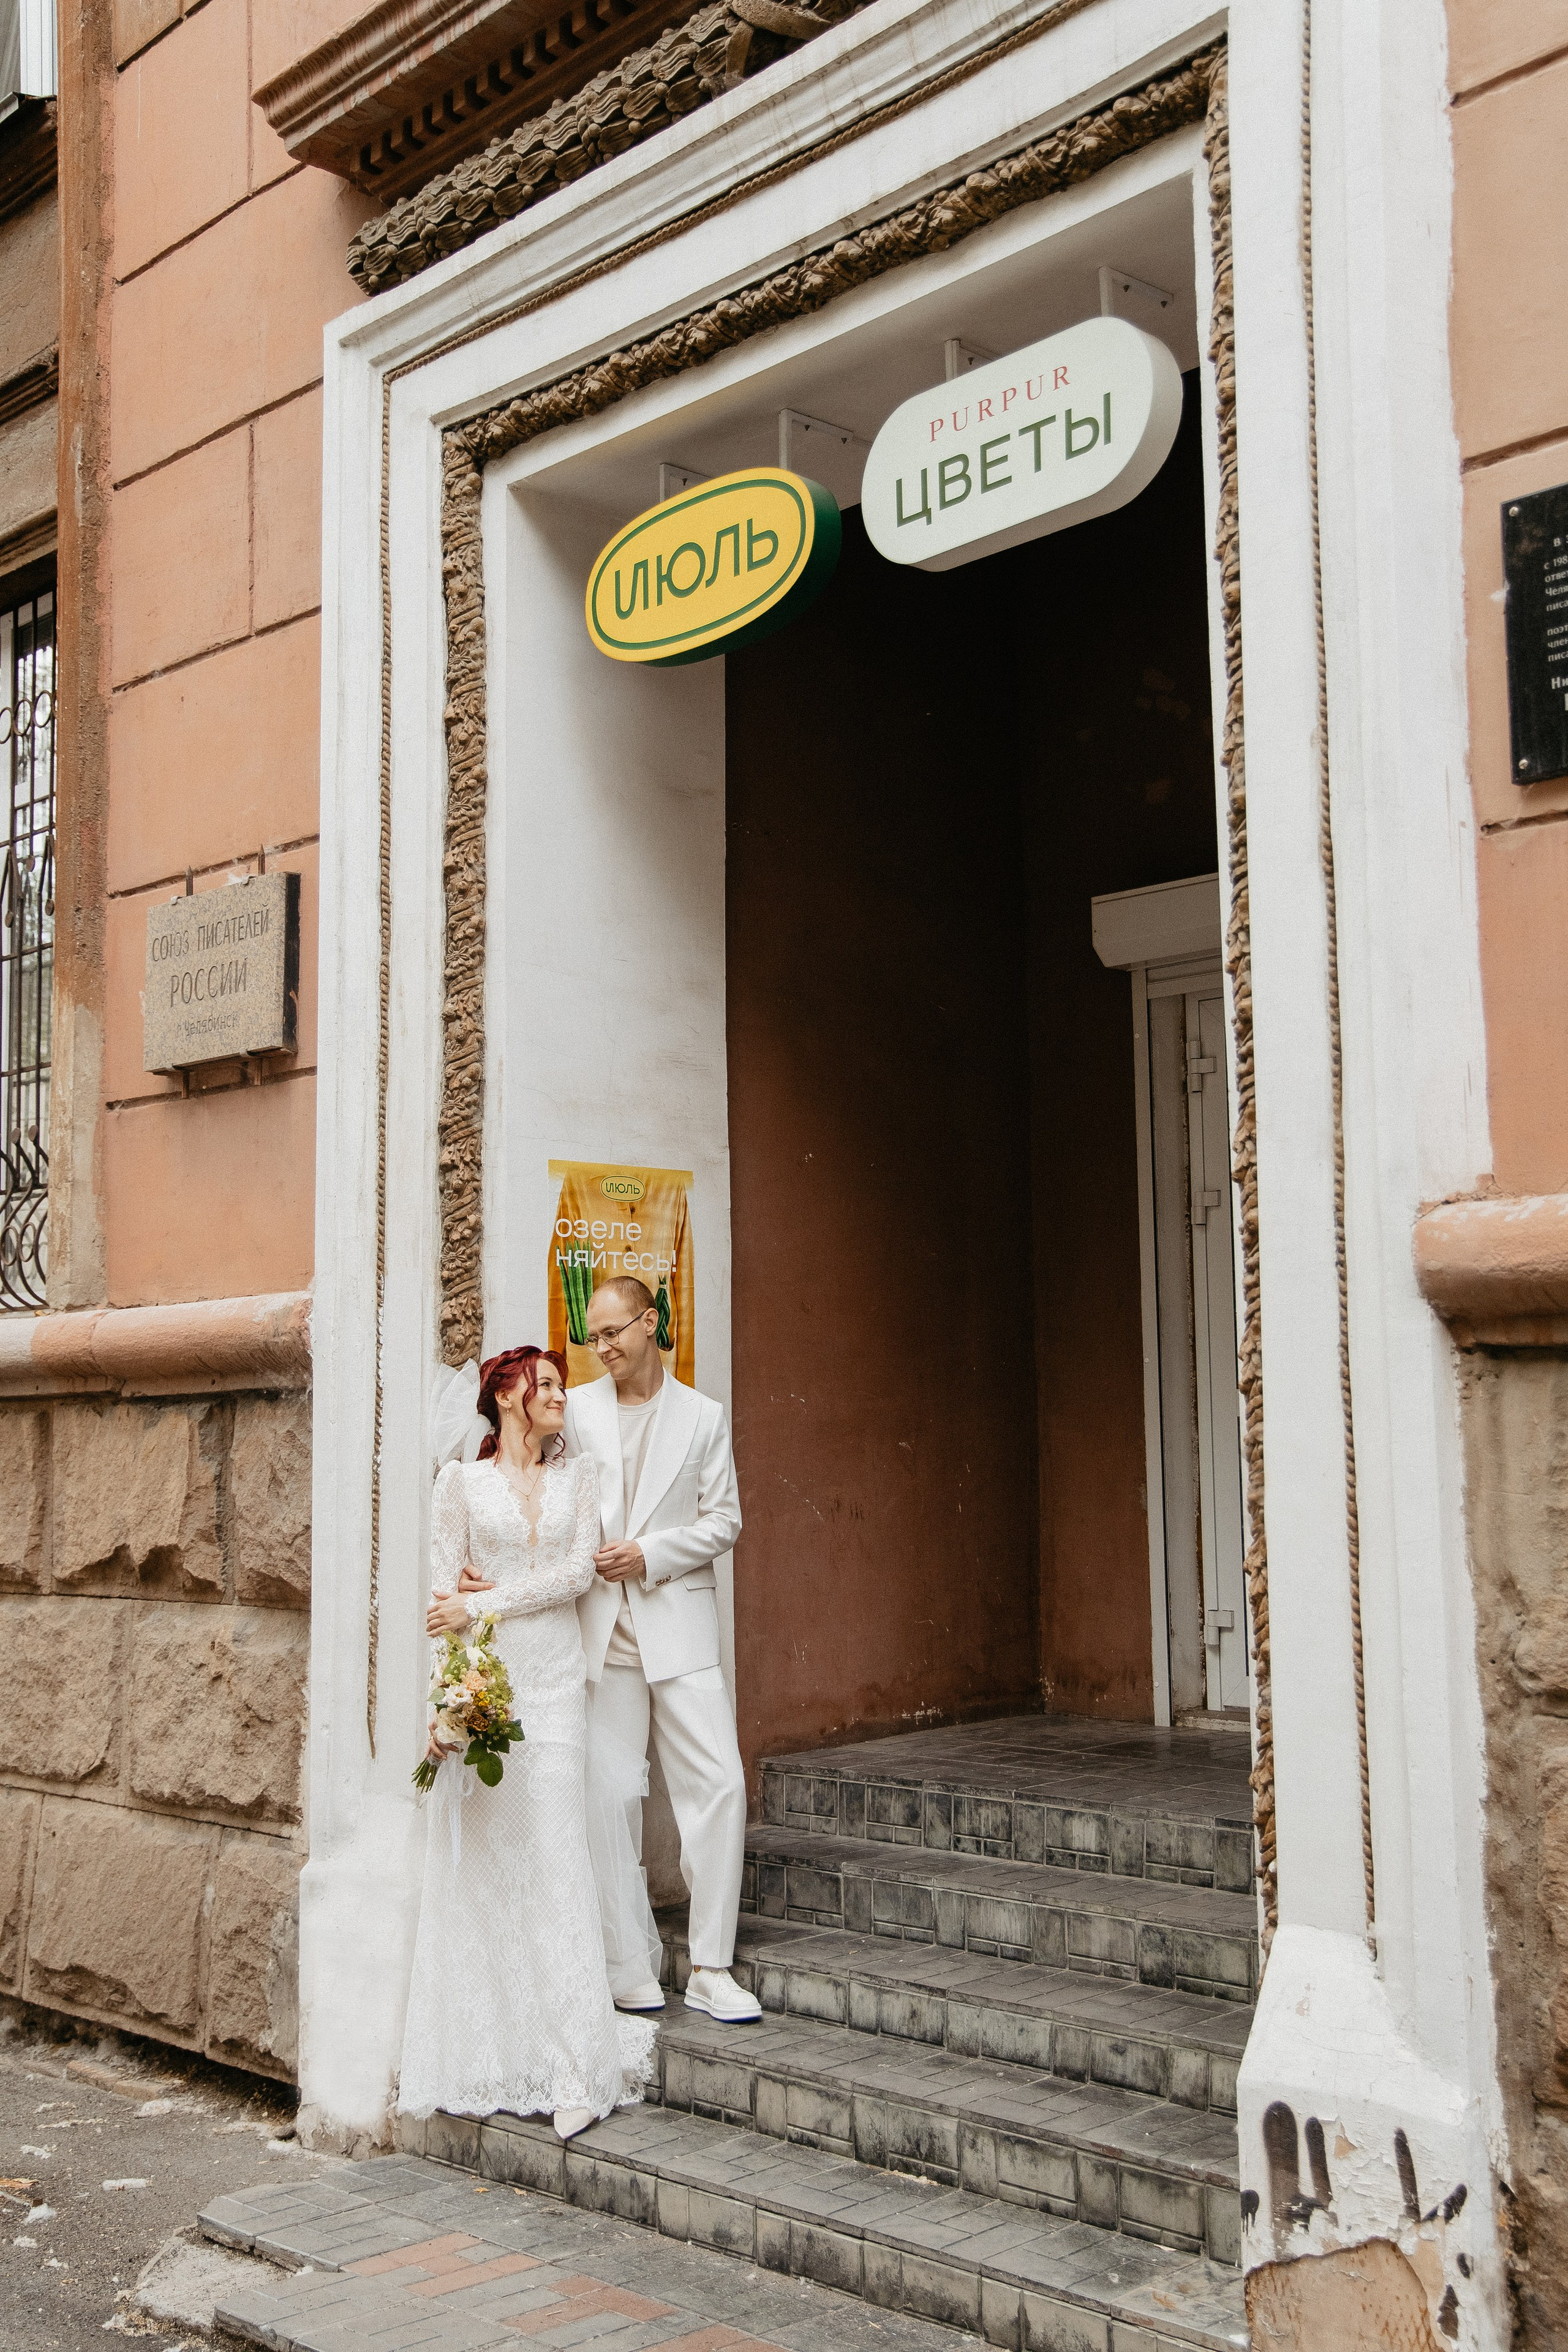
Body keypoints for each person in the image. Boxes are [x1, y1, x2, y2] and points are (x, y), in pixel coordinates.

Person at [397, 1345, 657, 2141]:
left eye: (560, 1387)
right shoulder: (459, 1484)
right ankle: (493, 2051)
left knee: (557, 1854)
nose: (558, 1397)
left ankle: (578, 2068)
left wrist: (485, 1603)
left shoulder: (578, 1480)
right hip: (492, 1687)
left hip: (555, 1686)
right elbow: (442, 1601)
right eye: (544, 1385)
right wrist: (445, 1707)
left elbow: (577, 1575)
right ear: (506, 1394)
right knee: (491, 1864)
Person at [561, 1276, 760, 2022]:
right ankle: (626, 1965)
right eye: (593, 1336)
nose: (602, 1347)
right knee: (609, 1799)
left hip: (678, 1627)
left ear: (650, 1323)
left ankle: (711, 1968)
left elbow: (723, 1521)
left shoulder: (703, 1417)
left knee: (720, 1785)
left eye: (613, 1332)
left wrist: (650, 1553)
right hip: (602, 1633)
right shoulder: (575, 1411)